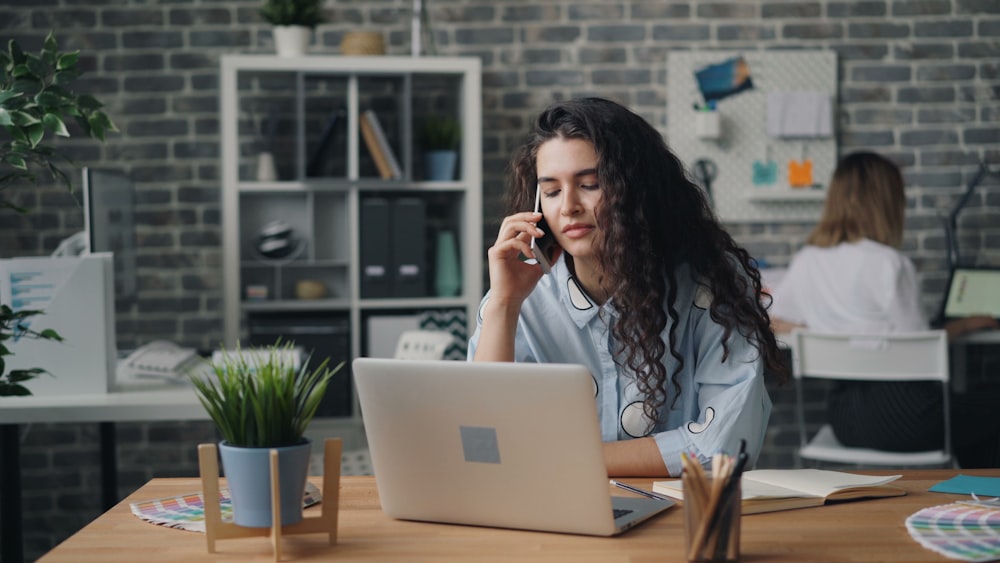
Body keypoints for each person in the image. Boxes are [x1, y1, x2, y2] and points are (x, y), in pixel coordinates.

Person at [468, 97, 785, 477]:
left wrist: (562, 460)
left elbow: (722, 446)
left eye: (590, 184)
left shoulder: (711, 282)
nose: (568, 206)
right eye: (551, 191)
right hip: (553, 515)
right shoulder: (521, 291)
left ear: (635, 190)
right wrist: (503, 302)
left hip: (676, 519)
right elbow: (483, 442)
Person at [769, 150, 1000, 467]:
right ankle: (978, 503)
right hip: (905, 419)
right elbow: (918, 349)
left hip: (845, 421)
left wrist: (816, 331)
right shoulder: (890, 264)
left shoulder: (807, 260)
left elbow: (776, 319)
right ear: (886, 202)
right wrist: (964, 325)